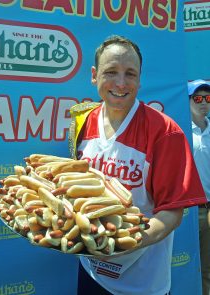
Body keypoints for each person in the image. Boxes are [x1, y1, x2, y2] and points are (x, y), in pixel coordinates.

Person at [68, 35, 207, 295]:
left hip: (143, 283)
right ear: (94, 75)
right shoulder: (82, 121)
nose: (121, 83)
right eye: (111, 72)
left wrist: (123, 242)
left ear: (140, 79)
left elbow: (171, 213)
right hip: (90, 271)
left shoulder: (165, 132)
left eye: (130, 74)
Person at [188, 79, 210, 295]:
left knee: (207, 269)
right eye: (197, 98)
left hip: (209, 210)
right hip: (187, 212)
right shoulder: (181, 132)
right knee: (181, 265)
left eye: (208, 98)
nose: (203, 102)